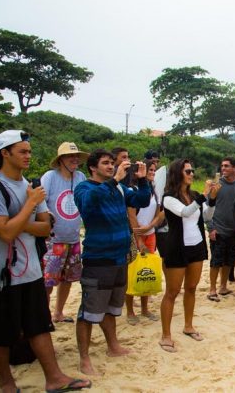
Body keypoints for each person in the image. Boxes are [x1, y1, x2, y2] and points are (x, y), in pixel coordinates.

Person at [0, 130, 91, 392]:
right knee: (1, 333)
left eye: (29, 151)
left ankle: (54, 377)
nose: (29, 156)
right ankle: (7, 384)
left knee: (39, 325)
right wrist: (30, 206)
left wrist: (20, 221)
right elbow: (4, 233)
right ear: (5, 153)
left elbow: (45, 228)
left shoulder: (28, 185)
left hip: (31, 271)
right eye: (22, 151)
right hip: (1, 275)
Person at [74, 149, 150, 375]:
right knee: (89, 311)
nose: (110, 166)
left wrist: (143, 179)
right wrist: (115, 180)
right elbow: (89, 204)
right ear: (93, 168)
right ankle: (84, 358)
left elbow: (142, 200)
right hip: (98, 259)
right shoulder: (84, 188)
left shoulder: (118, 188)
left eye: (111, 163)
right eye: (105, 163)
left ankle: (113, 345)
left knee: (111, 307)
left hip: (120, 258)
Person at [159, 159, 218, 351]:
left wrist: (213, 200)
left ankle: (188, 326)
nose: (192, 174)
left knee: (191, 288)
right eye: (188, 171)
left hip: (197, 246)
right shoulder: (168, 197)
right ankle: (166, 335)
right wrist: (203, 196)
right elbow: (184, 212)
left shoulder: (192, 195)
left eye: (192, 170)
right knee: (172, 292)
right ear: (178, 174)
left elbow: (206, 216)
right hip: (176, 248)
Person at [41, 142, 88, 323]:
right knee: (48, 281)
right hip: (54, 240)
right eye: (70, 156)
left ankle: (58, 312)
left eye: (76, 156)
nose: (75, 159)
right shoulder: (50, 177)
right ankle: (44, 316)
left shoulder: (81, 177)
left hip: (74, 238)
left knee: (68, 279)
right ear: (61, 160)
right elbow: (41, 202)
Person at [125, 159, 164, 324]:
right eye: (150, 171)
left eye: (154, 171)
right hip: (136, 236)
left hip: (151, 234)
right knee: (133, 272)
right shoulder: (133, 190)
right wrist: (138, 238)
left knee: (146, 271)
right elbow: (131, 216)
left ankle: (145, 308)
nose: (153, 174)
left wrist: (150, 225)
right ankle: (130, 311)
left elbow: (159, 213)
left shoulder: (154, 191)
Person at [207, 157, 235, 302]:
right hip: (218, 229)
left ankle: (223, 286)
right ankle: (212, 289)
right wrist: (211, 228)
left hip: (233, 230)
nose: (223, 168)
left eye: (227, 166)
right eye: (222, 166)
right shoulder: (216, 185)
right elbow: (208, 208)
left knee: (229, 261)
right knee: (216, 261)